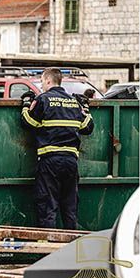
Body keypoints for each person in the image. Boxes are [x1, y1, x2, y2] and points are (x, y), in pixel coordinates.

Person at [20, 68, 94, 230]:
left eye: (41, 81)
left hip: (50, 161)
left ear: (48, 81)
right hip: (70, 162)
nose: (41, 84)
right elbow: (87, 127)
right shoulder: (73, 102)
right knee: (69, 206)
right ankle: (70, 246)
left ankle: (48, 249)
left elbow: (28, 123)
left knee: (47, 205)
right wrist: (85, 107)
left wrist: (26, 105)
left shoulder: (43, 100)